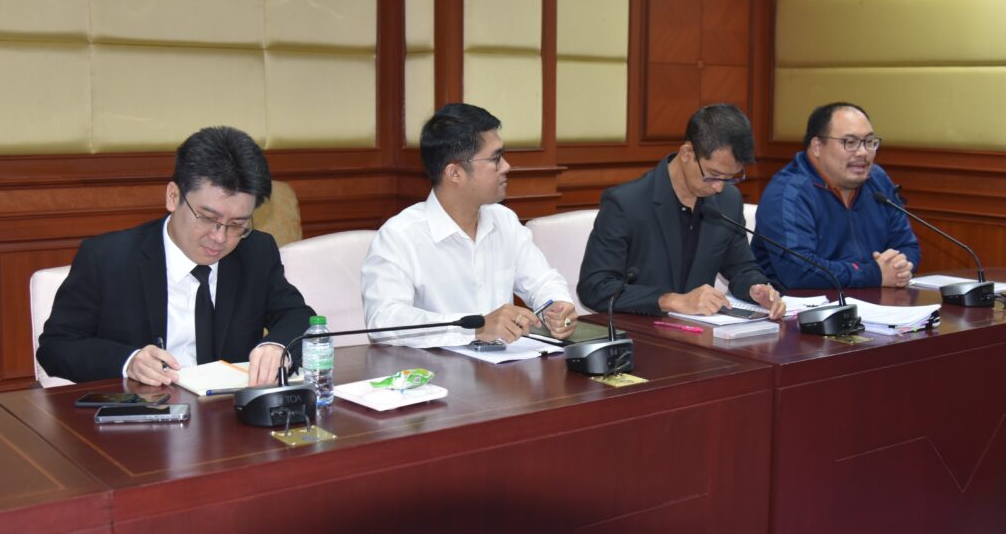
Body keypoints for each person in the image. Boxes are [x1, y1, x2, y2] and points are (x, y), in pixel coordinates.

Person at [37, 126, 314, 386]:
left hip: (230, 412)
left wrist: (277, 345)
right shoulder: (108, 258)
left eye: (237, 224)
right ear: (173, 196)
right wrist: (129, 362)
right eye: (208, 218)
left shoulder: (255, 251)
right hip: (145, 414)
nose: (220, 237)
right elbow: (56, 346)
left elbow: (298, 316)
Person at [362, 103, 578, 347]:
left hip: (508, 364)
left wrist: (557, 305)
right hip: (435, 368)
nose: (506, 166)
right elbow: (383, 320)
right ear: (454, 173)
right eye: (495, 159)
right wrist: (474, 327)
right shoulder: (400, 235)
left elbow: (542, 281)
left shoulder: (504, 220)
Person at [578, 104, 785, 319]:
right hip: (641, 331)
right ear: (687, 153)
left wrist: (756, 288)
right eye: (713, 174)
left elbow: (741, 268)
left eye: (730, 177)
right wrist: (671, 300)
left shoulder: (727, 200)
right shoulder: (626, 203)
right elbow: (594, 287)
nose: (719, 187)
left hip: (701, 332)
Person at [753, 102, 920, 289]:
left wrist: (899, 267)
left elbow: (908, 246)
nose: (863, 153)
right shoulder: (788, 193)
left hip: (873, 299)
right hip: (801, 304)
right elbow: (798, 270)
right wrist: (873, 273)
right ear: (817, 146)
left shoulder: (877, 180)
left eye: (869, 142)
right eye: (850, 142)